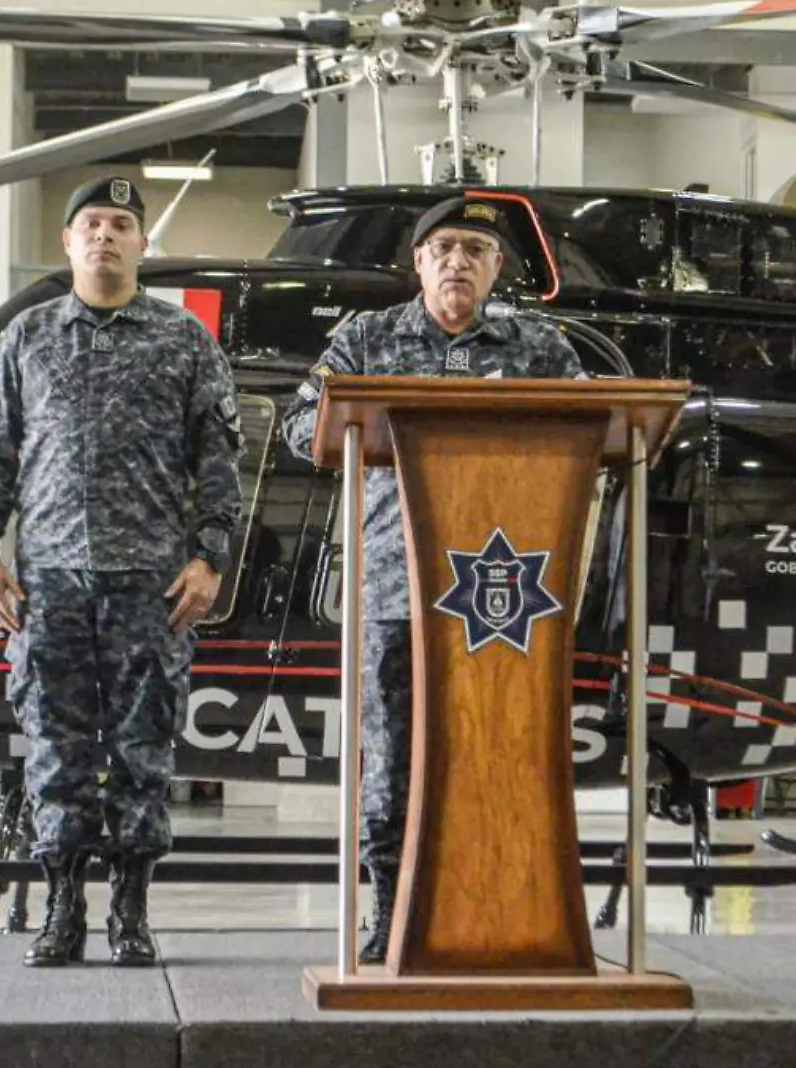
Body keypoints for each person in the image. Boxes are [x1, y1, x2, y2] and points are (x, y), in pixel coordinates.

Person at [279, 194, 588, 965]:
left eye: (474, 251)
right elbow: (297, 431)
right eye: (443, 247)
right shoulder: (366, 339)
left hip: (502, 595)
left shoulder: (539, 345)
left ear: (495, 268)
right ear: (417, 262)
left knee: (500, 749)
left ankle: (499, 904)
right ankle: (393, 911)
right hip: (395, 582)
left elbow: (592, 427)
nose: (457, 261)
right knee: (390, 758)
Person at [0, 174, 244, 968]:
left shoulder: (184, 340)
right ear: (68, 241)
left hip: (150, 586)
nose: (104, 236)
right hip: (47, 584)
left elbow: (218, 459)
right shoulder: (27, 337)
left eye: (121, 224)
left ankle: (130, 911)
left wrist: (209, 557)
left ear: (142, 244)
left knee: (142, 751)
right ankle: (61, 910)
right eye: (90, 224)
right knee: (55, 750)